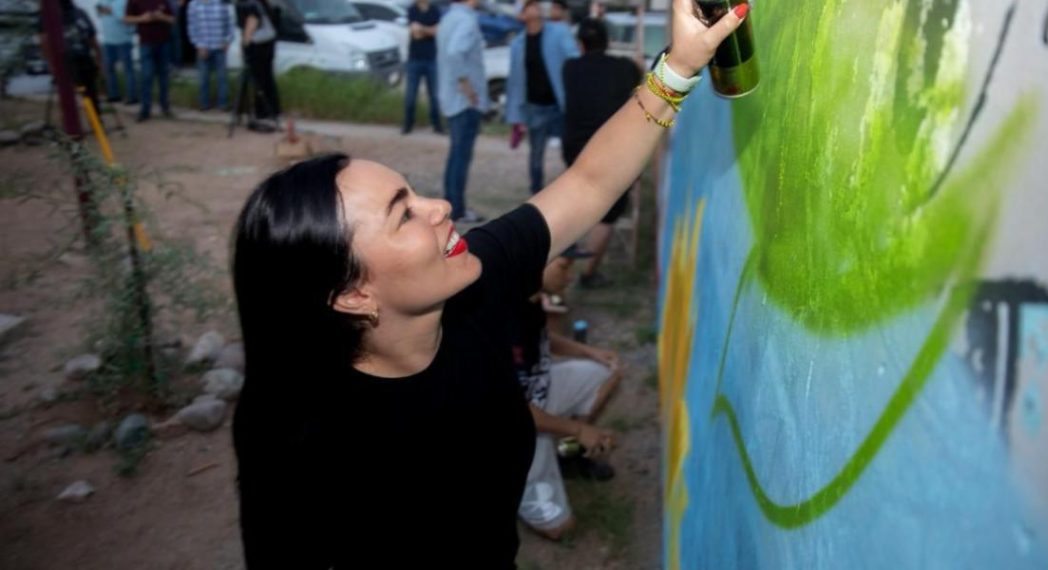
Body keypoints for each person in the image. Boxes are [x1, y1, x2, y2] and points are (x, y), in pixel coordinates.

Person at [230, 0, 746, 565]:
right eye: (404, 215)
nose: (441, 207)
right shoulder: (297, 435)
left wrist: (679, 67)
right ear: (353, 295)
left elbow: (589, 184)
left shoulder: (471, 282)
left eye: (416, 192)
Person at [513, 248, 622, 539]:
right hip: (511, 425)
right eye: (564, 267)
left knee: (607, 371)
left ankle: (566, 453)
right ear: (536, 266)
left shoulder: (530, 298)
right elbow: (513, 411)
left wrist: (589, 351)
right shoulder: (500, 319)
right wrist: (579, 429)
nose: (571, 277)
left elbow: (542, 337)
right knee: (561, 529)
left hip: (538, 397)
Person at [562, 18, 640, 288]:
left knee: (578, 201)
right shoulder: (625, 68)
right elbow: (638, 79)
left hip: (575, 148)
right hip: (612, 148)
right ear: (607, 42)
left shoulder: (570, 68)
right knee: (608, 213)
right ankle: (588, 274)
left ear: (580, 44)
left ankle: (563, 261)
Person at [505, 0, 578, 194]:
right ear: (522, 15)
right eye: (529, 5)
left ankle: (572, 190)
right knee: (536, 153)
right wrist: (516, 115)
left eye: (536, 4)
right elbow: (515, 81)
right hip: (535, 106)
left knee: (571, 150)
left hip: (561, 103)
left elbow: (574, 59)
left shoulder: (559, 32)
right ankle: (536, 192)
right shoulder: (518, 44)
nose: (535, 7)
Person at [437, 0, 486, 222]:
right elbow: (455, 52)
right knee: (461, 156)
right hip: (465, 100)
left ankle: (451, 204)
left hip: (451, 97)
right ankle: (457, 209)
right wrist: (467, 86)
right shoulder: (466, 20)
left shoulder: (448, 18)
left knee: (455, 154)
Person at [38, 0, 102, 114]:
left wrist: (98, 58)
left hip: (84, 58)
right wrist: (51, 64)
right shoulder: (48, 16)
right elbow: (44, 41)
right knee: (72, 95)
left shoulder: (80, 13)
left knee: (90, 92)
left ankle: (96, 118)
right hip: (65, 62)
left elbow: (92, 37)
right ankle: (86, 117)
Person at [125, 0, 175, 121]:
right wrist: (142, 18)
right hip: (146, 43)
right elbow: (126, 19)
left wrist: (162, 17)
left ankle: (165, 106)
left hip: (163, 42)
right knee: (146, 76)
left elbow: (173, 19)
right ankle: (145, 109)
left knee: (164, 76)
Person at [237, 0, 280, 129]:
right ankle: (272, 109)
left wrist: (245, 43)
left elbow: (252, 21)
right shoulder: (260, 3)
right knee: (267, 77)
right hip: (268, 41)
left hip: (258, 44)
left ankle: (262, 111)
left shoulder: (248, 4)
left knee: (258, 79)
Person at [403, 0, 444, 135]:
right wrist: (428, 29)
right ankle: (408, 124)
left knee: (434, 96)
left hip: (431, 58)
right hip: (414, 59)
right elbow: (415, 34)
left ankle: (437, 125)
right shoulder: (412, 10)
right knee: (410, 95)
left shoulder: (434, 10)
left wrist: (422, 28)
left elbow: (436, 31)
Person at [186, 0, 232, 111]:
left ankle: (223, 104)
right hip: (203, 47)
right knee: (203, 78)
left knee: (222, 78)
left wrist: (227, 41)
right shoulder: (194, 5)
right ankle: (204, 104)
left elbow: (229, 23)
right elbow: (191, 27)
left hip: (219, 46)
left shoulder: (221, 3)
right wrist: (198, 44)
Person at [95, 0, 137, 104]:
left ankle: (132, 97)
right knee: (109, 69)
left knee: (128, 70)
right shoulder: (102, 1)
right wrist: (104, 10)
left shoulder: (124, 2)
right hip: (108, 40)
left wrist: (111, 10)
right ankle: (114, 95)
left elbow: (125, 18)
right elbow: (99, 12)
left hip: (124, 39)